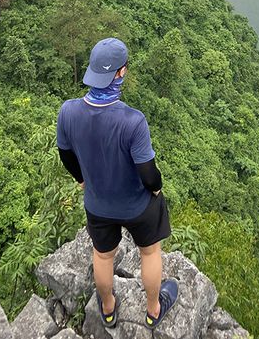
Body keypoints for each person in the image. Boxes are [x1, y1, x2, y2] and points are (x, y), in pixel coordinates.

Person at [57, 37, 179, 330]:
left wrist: (82, 179)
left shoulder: (68, 112)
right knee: (150, 252)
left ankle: (108, 308)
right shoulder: (132, 121)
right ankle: (153, 310)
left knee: (102, 255)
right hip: (137, 205)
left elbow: (65, 154)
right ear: (121, 72)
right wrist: (156, 188)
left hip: (98, 204)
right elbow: (148, 172)